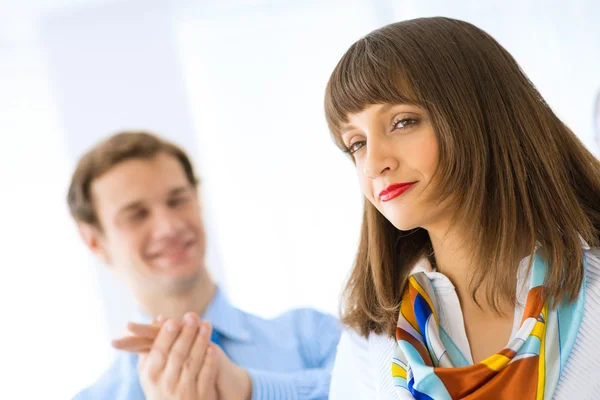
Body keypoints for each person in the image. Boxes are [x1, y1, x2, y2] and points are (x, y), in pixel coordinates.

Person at [324, 17, 600, 399]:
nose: (373, 164)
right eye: (356, 143)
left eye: (403, 122)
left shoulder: (593, 289)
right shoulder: (371, 341)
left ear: (480, 116)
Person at [69, 131, 341, 400]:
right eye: (136, 215)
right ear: (95, 242)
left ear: (197, 200)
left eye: (177, 200)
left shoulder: (313, 337)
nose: (169, 226)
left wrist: (251, 390)